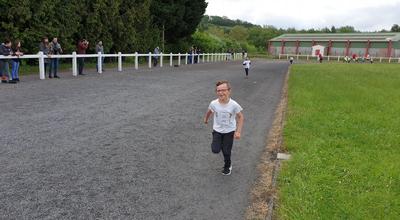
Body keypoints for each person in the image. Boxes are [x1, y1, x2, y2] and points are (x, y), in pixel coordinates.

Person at [203, 80, 244, 175]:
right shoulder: (214, 103)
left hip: (229, 131)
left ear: (229, 91)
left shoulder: (234, 105)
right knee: (215, 150)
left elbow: (241, 117)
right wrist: (206, 118)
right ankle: (221, 144)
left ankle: (227, 166)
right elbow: (210, 111)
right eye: (218, 90)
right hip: (217, 130)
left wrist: (238, 131)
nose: (221, 93)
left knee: (226, 151)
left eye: (223, 90)